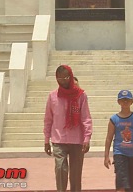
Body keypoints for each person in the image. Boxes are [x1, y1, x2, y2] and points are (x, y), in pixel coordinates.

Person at [44, 64, 92, 192]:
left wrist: (87, 138)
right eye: (59, 78)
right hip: (58, 140)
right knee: (60, 168)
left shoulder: (81, 95)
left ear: (70, 76)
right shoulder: (52, 96)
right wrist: (46, 139)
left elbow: (86, 118)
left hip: (77, 140)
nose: (63, 81)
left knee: (76, 174)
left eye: (65, 77)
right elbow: (48, 120)